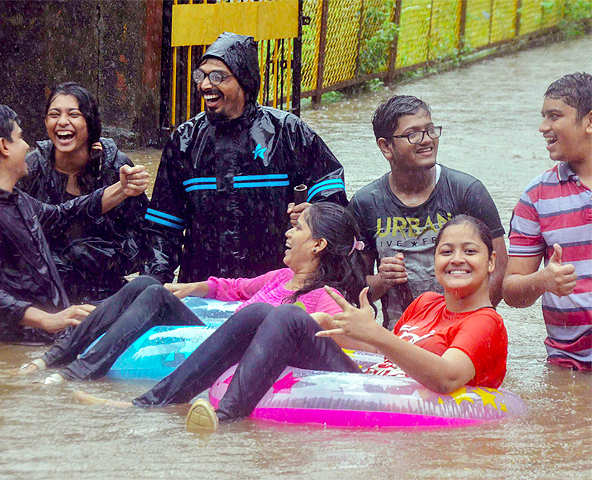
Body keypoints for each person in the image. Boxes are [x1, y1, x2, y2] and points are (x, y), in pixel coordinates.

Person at [75, 214, 507, 435]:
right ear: (434, 261)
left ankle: (224, 418)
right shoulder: (428, 303)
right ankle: (154, 402)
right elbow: (391, 353)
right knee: (267, 312)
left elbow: (450, 377)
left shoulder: (484, 322)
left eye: (469, 252)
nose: (456, 260)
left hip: (400, 401)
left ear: (490, 263)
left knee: (285, 315)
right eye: (446, 251)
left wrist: (374, 334)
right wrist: (349, 330)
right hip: (367, 381)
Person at [31, 201, 366, 383]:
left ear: (318, 244)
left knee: (153, 295)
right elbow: (233, 288)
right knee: (147, 285)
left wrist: (363, 328)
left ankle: (78, 373)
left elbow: (350, 346)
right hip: (213, 335)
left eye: (298, 228)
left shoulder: (325, 298)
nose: (288, 234)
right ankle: (58, 355)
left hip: (234, 351)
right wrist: (193, 286)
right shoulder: (280, 277)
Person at [144, 32, 347, 284]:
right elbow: (163, 229)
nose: (205, 85)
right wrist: (152, 287)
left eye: (217, 76)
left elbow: (332, 194)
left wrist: (315, 211)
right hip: (203, 288)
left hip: (273, 288)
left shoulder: (288, 132)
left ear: (245, 80)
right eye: (202, 75)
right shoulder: (184, 141)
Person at [0, 102, 149, 345]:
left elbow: (61, 215)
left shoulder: (14, 199)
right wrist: (45, 320)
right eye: (20, 137)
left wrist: (120, 189)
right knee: (150, 297)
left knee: (145, 290)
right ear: (4, 147)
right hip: (25, 343)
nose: (27, 146)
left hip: (49, 336)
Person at [349, 95, 507, 330]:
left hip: (462, 331)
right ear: (385, 147)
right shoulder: (365, 203)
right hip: (399, 337)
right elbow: (352, 289)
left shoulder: (466, 191)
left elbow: (500, 266)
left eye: (431, 130)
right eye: (413, 134)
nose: (427, 140)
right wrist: (383, 281)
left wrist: (472, 322)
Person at [17, 82, 163, 303]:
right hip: (44, 292)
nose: (62, 122)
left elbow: (147, 236)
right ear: (46, 121)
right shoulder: (30, 168)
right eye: (54, 114)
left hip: (105, 289)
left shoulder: (116, 167)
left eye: (73, 114)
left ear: (90, 122)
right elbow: (13, 238)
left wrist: (105, 257)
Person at [503, 72, 592, 371]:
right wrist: (543, 281)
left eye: (554, 116)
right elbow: (511, 291)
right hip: (569, 364)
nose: (543, 128)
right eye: (543, 117)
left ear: (589, 121)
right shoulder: (536, 197)